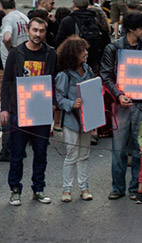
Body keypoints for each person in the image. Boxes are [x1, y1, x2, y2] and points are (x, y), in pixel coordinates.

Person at [101, 11, 142, 200]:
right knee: (119, 148)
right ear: (131, 29)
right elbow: (105, 74)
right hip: (122, 106)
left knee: (139, 147)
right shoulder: (113, 48)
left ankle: (136, 187)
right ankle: (118, 187)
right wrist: (118, 95)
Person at [0, 15, 54, 205]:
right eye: (35, 30)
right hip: (18, 111)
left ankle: (38, 188)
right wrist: (4, 108)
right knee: (17, 153)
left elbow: (53, 82)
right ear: (28, 31)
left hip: (41, 111)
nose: (38, 34)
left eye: (41, 31)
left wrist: (53, 110)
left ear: (45, 32)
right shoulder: (16, 53)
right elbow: (6, 82)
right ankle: (15, 189)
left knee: (40, 153)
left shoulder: (50, 54)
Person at [55, 36, 95, 202]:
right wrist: (72, 104)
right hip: (71, 121)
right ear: (73, 54)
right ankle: (67, 189)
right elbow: (58, 97)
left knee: (84, 155)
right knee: (71, 155)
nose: (86, 53)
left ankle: (84, 188)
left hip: (87, 121)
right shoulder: (64, 75)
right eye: (82, 50)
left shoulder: (88, 70)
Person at [55, 0, 109, 73]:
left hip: (73, 62)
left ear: (74, 4)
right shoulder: (96, 19)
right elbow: (106, 40)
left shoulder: (67, 21)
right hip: (93, 60)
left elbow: (59, 42)